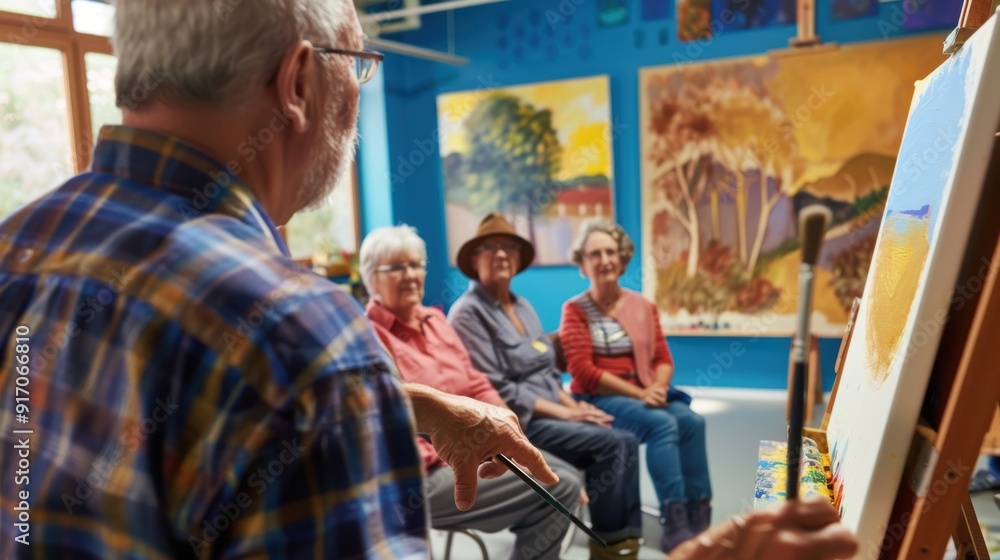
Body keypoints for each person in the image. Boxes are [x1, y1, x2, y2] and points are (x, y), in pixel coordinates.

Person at [0, 1, 557, 557]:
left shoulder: (19, 241)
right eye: (357, 64)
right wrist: (349, 388)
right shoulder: (299, 327)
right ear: (297, 83)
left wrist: (406, 402)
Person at [359, 224, 583, 560]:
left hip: (472, 446)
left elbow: (476, 380)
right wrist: (470, 447)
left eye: (416, 265)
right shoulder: (368, 336)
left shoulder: (435, 320)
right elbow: (389, 426)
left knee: (561, 474)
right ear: (372, 278)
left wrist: (503, 427)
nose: (410, 275)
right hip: (425, 475)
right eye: (397, 267)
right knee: (559, 486)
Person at [447, 212, 643, 560]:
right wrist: (569, 416)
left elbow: (550, 376)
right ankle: (610, 548)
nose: (501, 254)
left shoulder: (523, 306)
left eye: (508, 246)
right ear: (474, 261)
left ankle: (627, 543)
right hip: (519, 424)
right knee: (610, 445)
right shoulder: (467, 314)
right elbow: (500, 391)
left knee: (624, 437)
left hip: (552, 411)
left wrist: (576, 408)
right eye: (490, 248)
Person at [559, 217, 712, 553]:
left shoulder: (643, 305)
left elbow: (663, 358)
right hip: (600, 398)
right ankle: (675, 522)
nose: (604, 260)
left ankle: (699, 514)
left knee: (691, 422)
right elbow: (583, 372)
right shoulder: (574, 310)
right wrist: (642, 394)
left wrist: (656, 387)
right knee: (662, 424)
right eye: (594, 254)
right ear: (583, 264)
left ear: (623, 259)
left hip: (644, 393)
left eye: (610, 252)